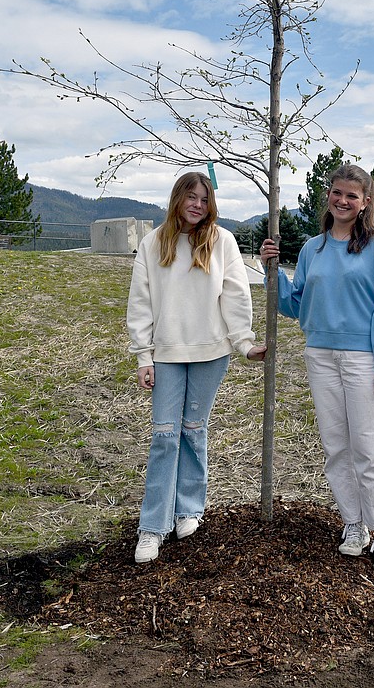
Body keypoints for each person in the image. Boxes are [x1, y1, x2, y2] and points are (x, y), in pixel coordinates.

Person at [259, 163, 374, 577]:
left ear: (365, 203)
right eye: (337, 193)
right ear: (329, 196)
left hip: (363, 359)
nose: (343, 201)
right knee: (336, 446)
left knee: (369, 448)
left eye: (352, 196)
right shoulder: (312, 249)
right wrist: (274, 271)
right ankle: (354, 524)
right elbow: (295, 305)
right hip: (319, 355)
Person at [127, 171, 265, 564]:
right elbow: (140, 300)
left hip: (211, 352)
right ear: (178, 198)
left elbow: (236, 294)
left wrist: (243, 342)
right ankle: (153, 527)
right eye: (191, 197)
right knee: (165, 437)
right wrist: (143, 354)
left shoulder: (222, 241)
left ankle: (188, 509)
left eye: (204, 199)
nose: (198, 205)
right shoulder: (154, 243)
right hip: (167, 354)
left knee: (193, 431)